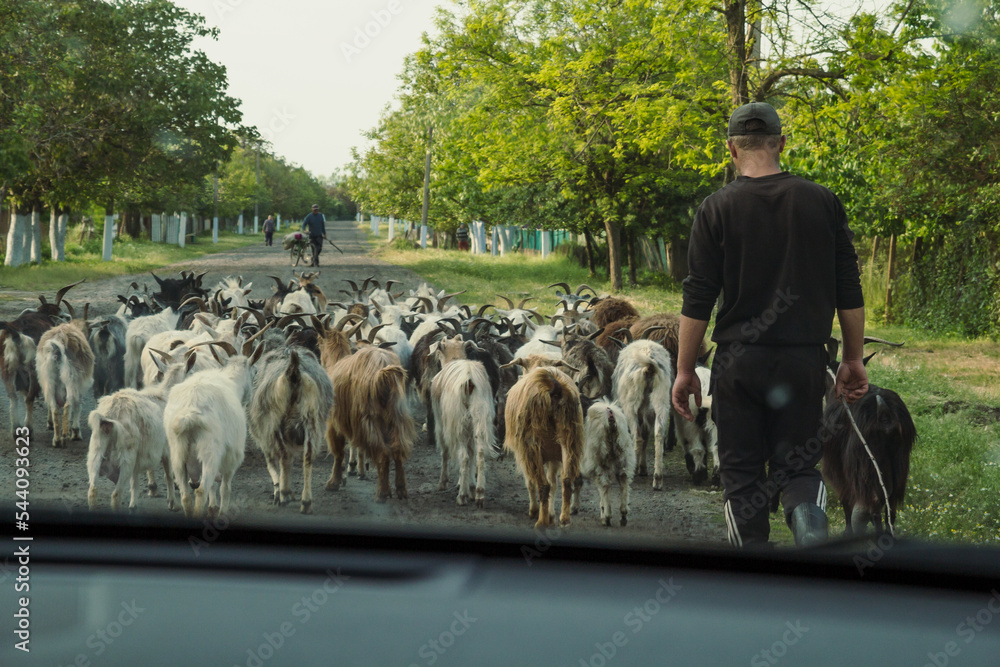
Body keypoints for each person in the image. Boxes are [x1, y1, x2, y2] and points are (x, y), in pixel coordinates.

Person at [671, 101, 868, 549]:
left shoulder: (715, 208)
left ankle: (753, 586)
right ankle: (811, 538)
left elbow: (698, 298)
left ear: (731, 149)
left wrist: (684, 371)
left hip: (739, 364)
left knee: (742, 476)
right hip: (802, 362)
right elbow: (849, 291)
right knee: (799, 469)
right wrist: (853, 359)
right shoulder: (823, 202)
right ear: (781, 143)